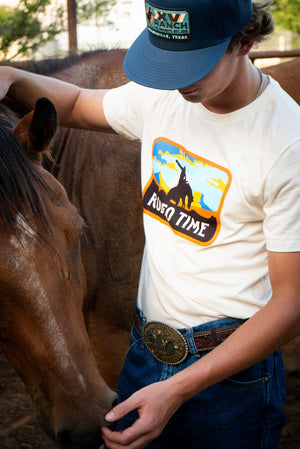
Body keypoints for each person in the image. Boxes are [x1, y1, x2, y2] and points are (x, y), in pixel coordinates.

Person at [1, 0, 300, 448]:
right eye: (165, 62)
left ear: (245, 42)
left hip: (231, 379)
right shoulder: (166, 95)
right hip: (144, 352)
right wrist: (13, 76)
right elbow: (80, 102)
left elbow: (290, 303)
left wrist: (178, 389)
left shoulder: (286, 144)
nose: (175, 81)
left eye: (192, 65)